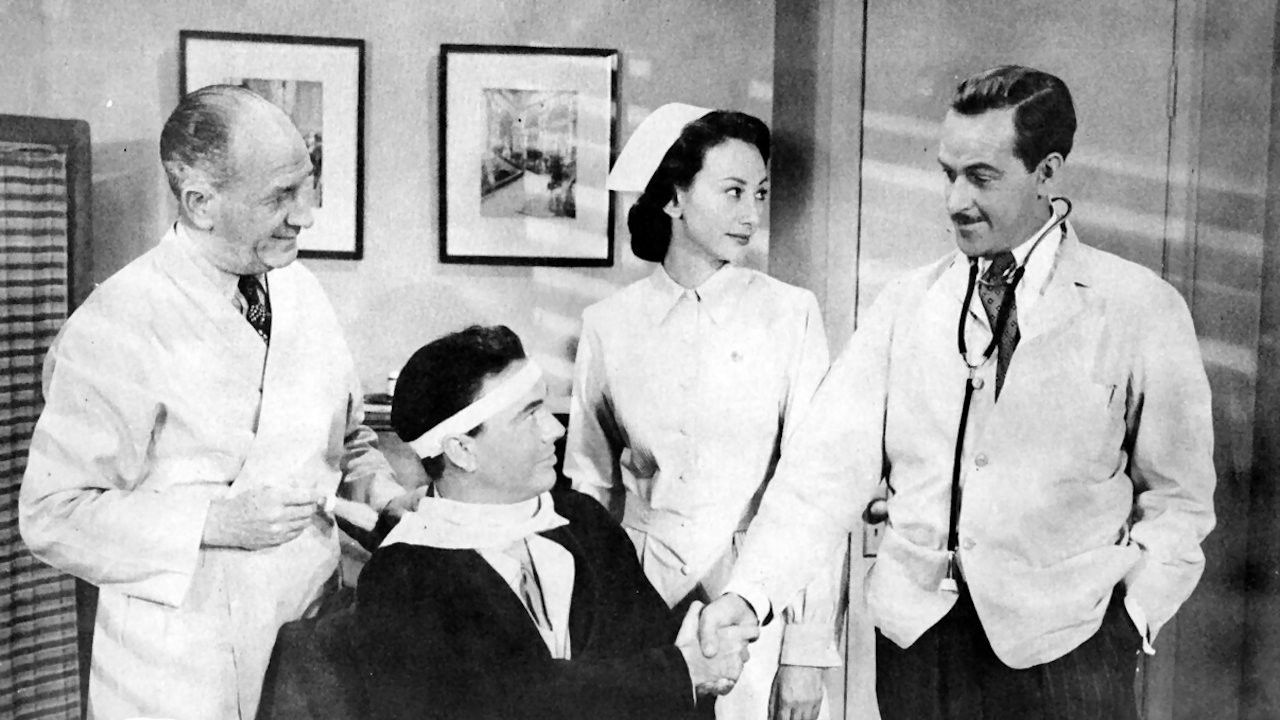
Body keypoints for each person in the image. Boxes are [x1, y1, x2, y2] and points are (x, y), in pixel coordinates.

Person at [698, 65, 1217, 720]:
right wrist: (750, 594)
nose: (955, 201)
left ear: (1047, 172)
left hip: (1069, 651)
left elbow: (1179, 498)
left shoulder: (1138, 307)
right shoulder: (906, 305)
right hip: (921, 651)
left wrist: (1132, 617)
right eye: (948, 174)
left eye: (981, 177)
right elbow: (821, 474)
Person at [20, 85, 414, 719]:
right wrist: (212, 522)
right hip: (179, 661)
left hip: (309, 637)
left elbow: (346, 442)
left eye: (307, 186)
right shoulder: (119, 319)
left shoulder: (303, 292)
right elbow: (52, 514)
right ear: (201, 203)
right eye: (280, 196)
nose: (306, 215)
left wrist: (388, 495)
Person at [257, 325, 755, 720]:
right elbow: (510, 702)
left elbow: (653, 652)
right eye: (529, 414)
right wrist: (679, 672)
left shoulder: (583, 521)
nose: (555, 430)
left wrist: (702, 653)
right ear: (461, 450)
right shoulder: (403, 576)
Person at [564, 104, 842, 720]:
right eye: (734, 192)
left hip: (758, 599)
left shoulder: (790, 315)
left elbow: (817, 493)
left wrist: (804, 652)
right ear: (674, 199)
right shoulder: (608, 324)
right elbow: (589, 489)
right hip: (638, 598)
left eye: (760, 194)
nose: (753, 214)